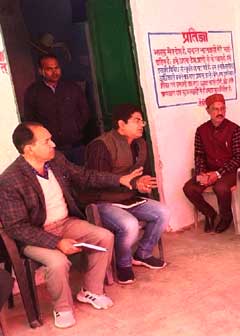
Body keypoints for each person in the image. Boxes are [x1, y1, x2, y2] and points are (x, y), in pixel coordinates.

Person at [0, 122, 141, 329]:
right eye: (47, 141)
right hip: (35, 234)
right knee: (57, 262)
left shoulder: (56, 160)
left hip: (66, 223)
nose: (53, 144)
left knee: (104, 236)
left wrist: (120, 179)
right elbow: (16, 227)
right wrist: (57, 242)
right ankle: (63, 308)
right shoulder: (10, 180)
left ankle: (91, 291)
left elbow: (85, 176)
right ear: (29, 149)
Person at [78, 104, 169, 285]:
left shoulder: (140, 144)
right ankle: (123, 264)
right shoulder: (101, 145)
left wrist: (142, 185)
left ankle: (142, 254)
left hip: (128, 198)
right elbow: (96, 180)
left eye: (141, 121)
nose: (141, 125)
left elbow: (142, 174)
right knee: (129, 224)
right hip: (102, 201)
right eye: (136, 120)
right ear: (121, 124)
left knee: (162, 212)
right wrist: (130, 182)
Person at [183, 93, 240, 234]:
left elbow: (238, 159)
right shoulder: (201, 130)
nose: (219, 113)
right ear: (208, 111)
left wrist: (217, 174)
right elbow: (199, 154)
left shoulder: (235, 130)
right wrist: (202, 173)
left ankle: (226, 216)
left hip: (230, 172)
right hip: (209, 170)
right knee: (189, 188)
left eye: (222, 109)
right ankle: (209, 213)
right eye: (215, 109)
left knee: (221, 187)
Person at [24, 54, 94, 166]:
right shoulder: (33, 92)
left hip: (75, 146)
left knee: (82, 177)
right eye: (49, 69)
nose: (54, 72)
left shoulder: (72, 87)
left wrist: (75, 127)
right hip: (50, 148)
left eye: (56, 68)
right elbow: (30, 119)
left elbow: (85, 112)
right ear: (40, 71)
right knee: (59, 180)